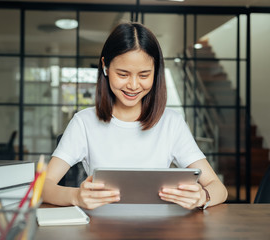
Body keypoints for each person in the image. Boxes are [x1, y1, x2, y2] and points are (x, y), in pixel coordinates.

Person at [42, 22, 228, 210]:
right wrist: (76, 196)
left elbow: (219, 188)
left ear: (156, 72)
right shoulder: (83, 122)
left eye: (144, 75)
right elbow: (42, 187)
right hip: (102, 230)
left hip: (159, 229)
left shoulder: (171, 122)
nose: (133, 85)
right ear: (105, 66)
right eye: (123, 74)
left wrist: (202, 197)